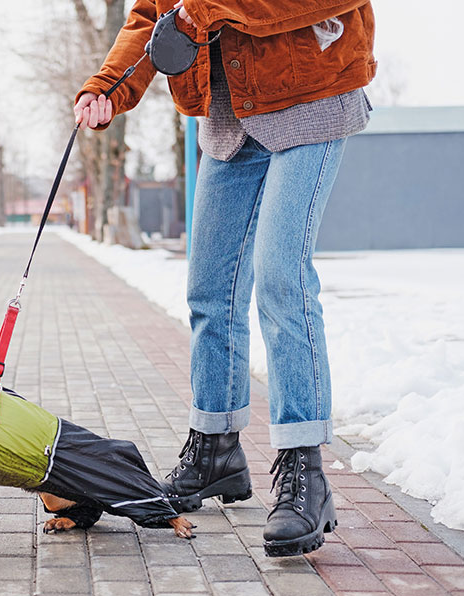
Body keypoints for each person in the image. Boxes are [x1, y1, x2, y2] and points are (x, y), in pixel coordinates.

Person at [74, 0, 375, 557]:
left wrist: (203, 11)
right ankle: (215, 449)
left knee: (282, 276)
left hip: (309, 94)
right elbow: (153, 15)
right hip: (227, 113)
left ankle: (303, 467)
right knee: (210, 289)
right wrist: (110, 86)